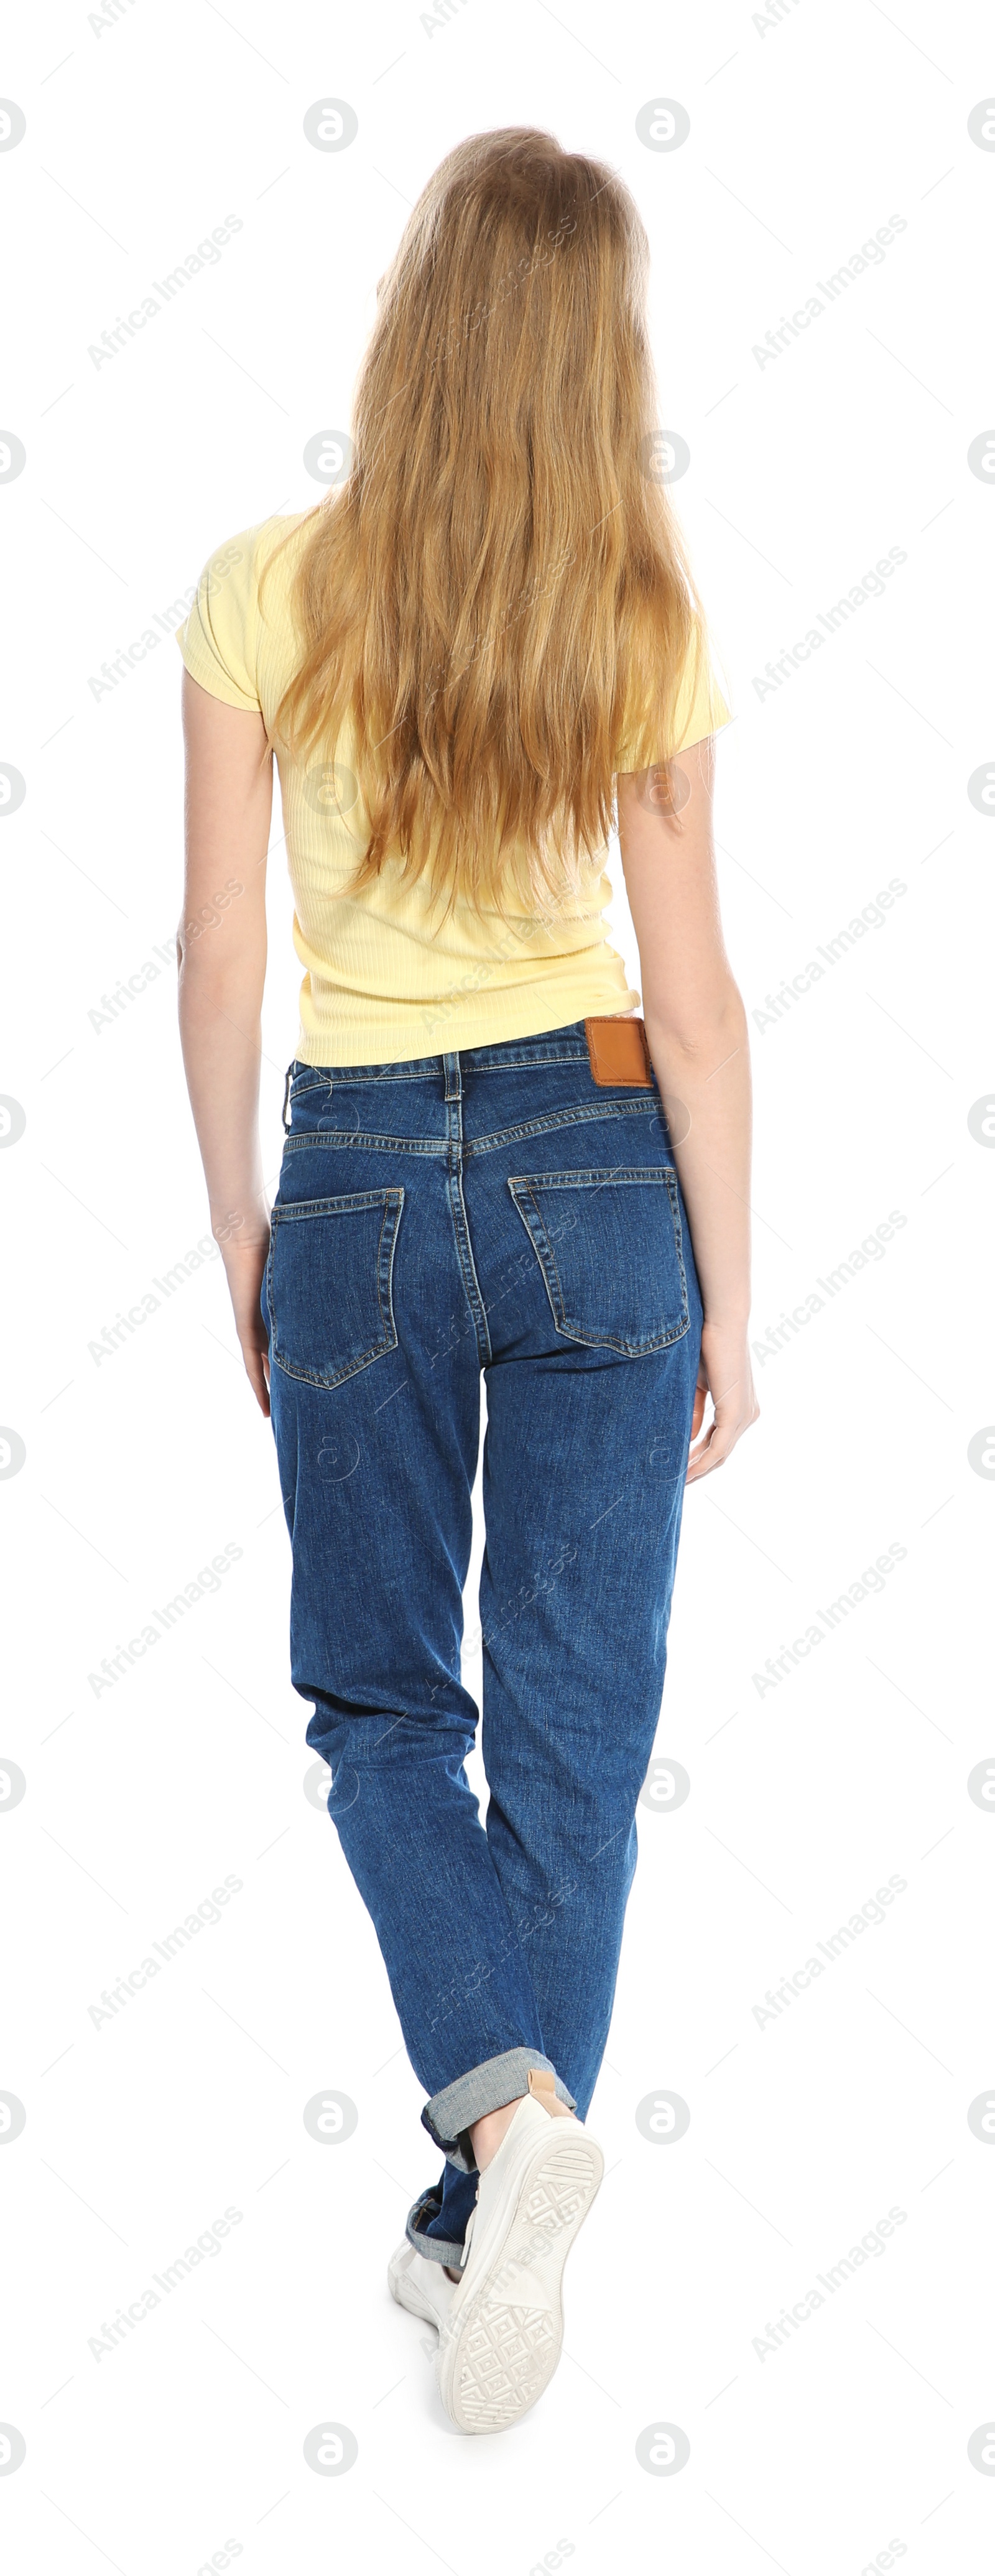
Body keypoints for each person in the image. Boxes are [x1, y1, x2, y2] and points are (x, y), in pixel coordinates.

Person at [175, 126, 758, 2438]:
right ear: (595, 353)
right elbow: (700, 1001)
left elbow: (221, 955)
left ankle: (492, 2156)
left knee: (383, 1705)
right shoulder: (638, 608)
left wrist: (241, 1227)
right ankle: (496, 2187)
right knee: (580, 1743)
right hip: (604, 1160)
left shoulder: (262, 588)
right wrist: (736, 1290)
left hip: (363, 1188)